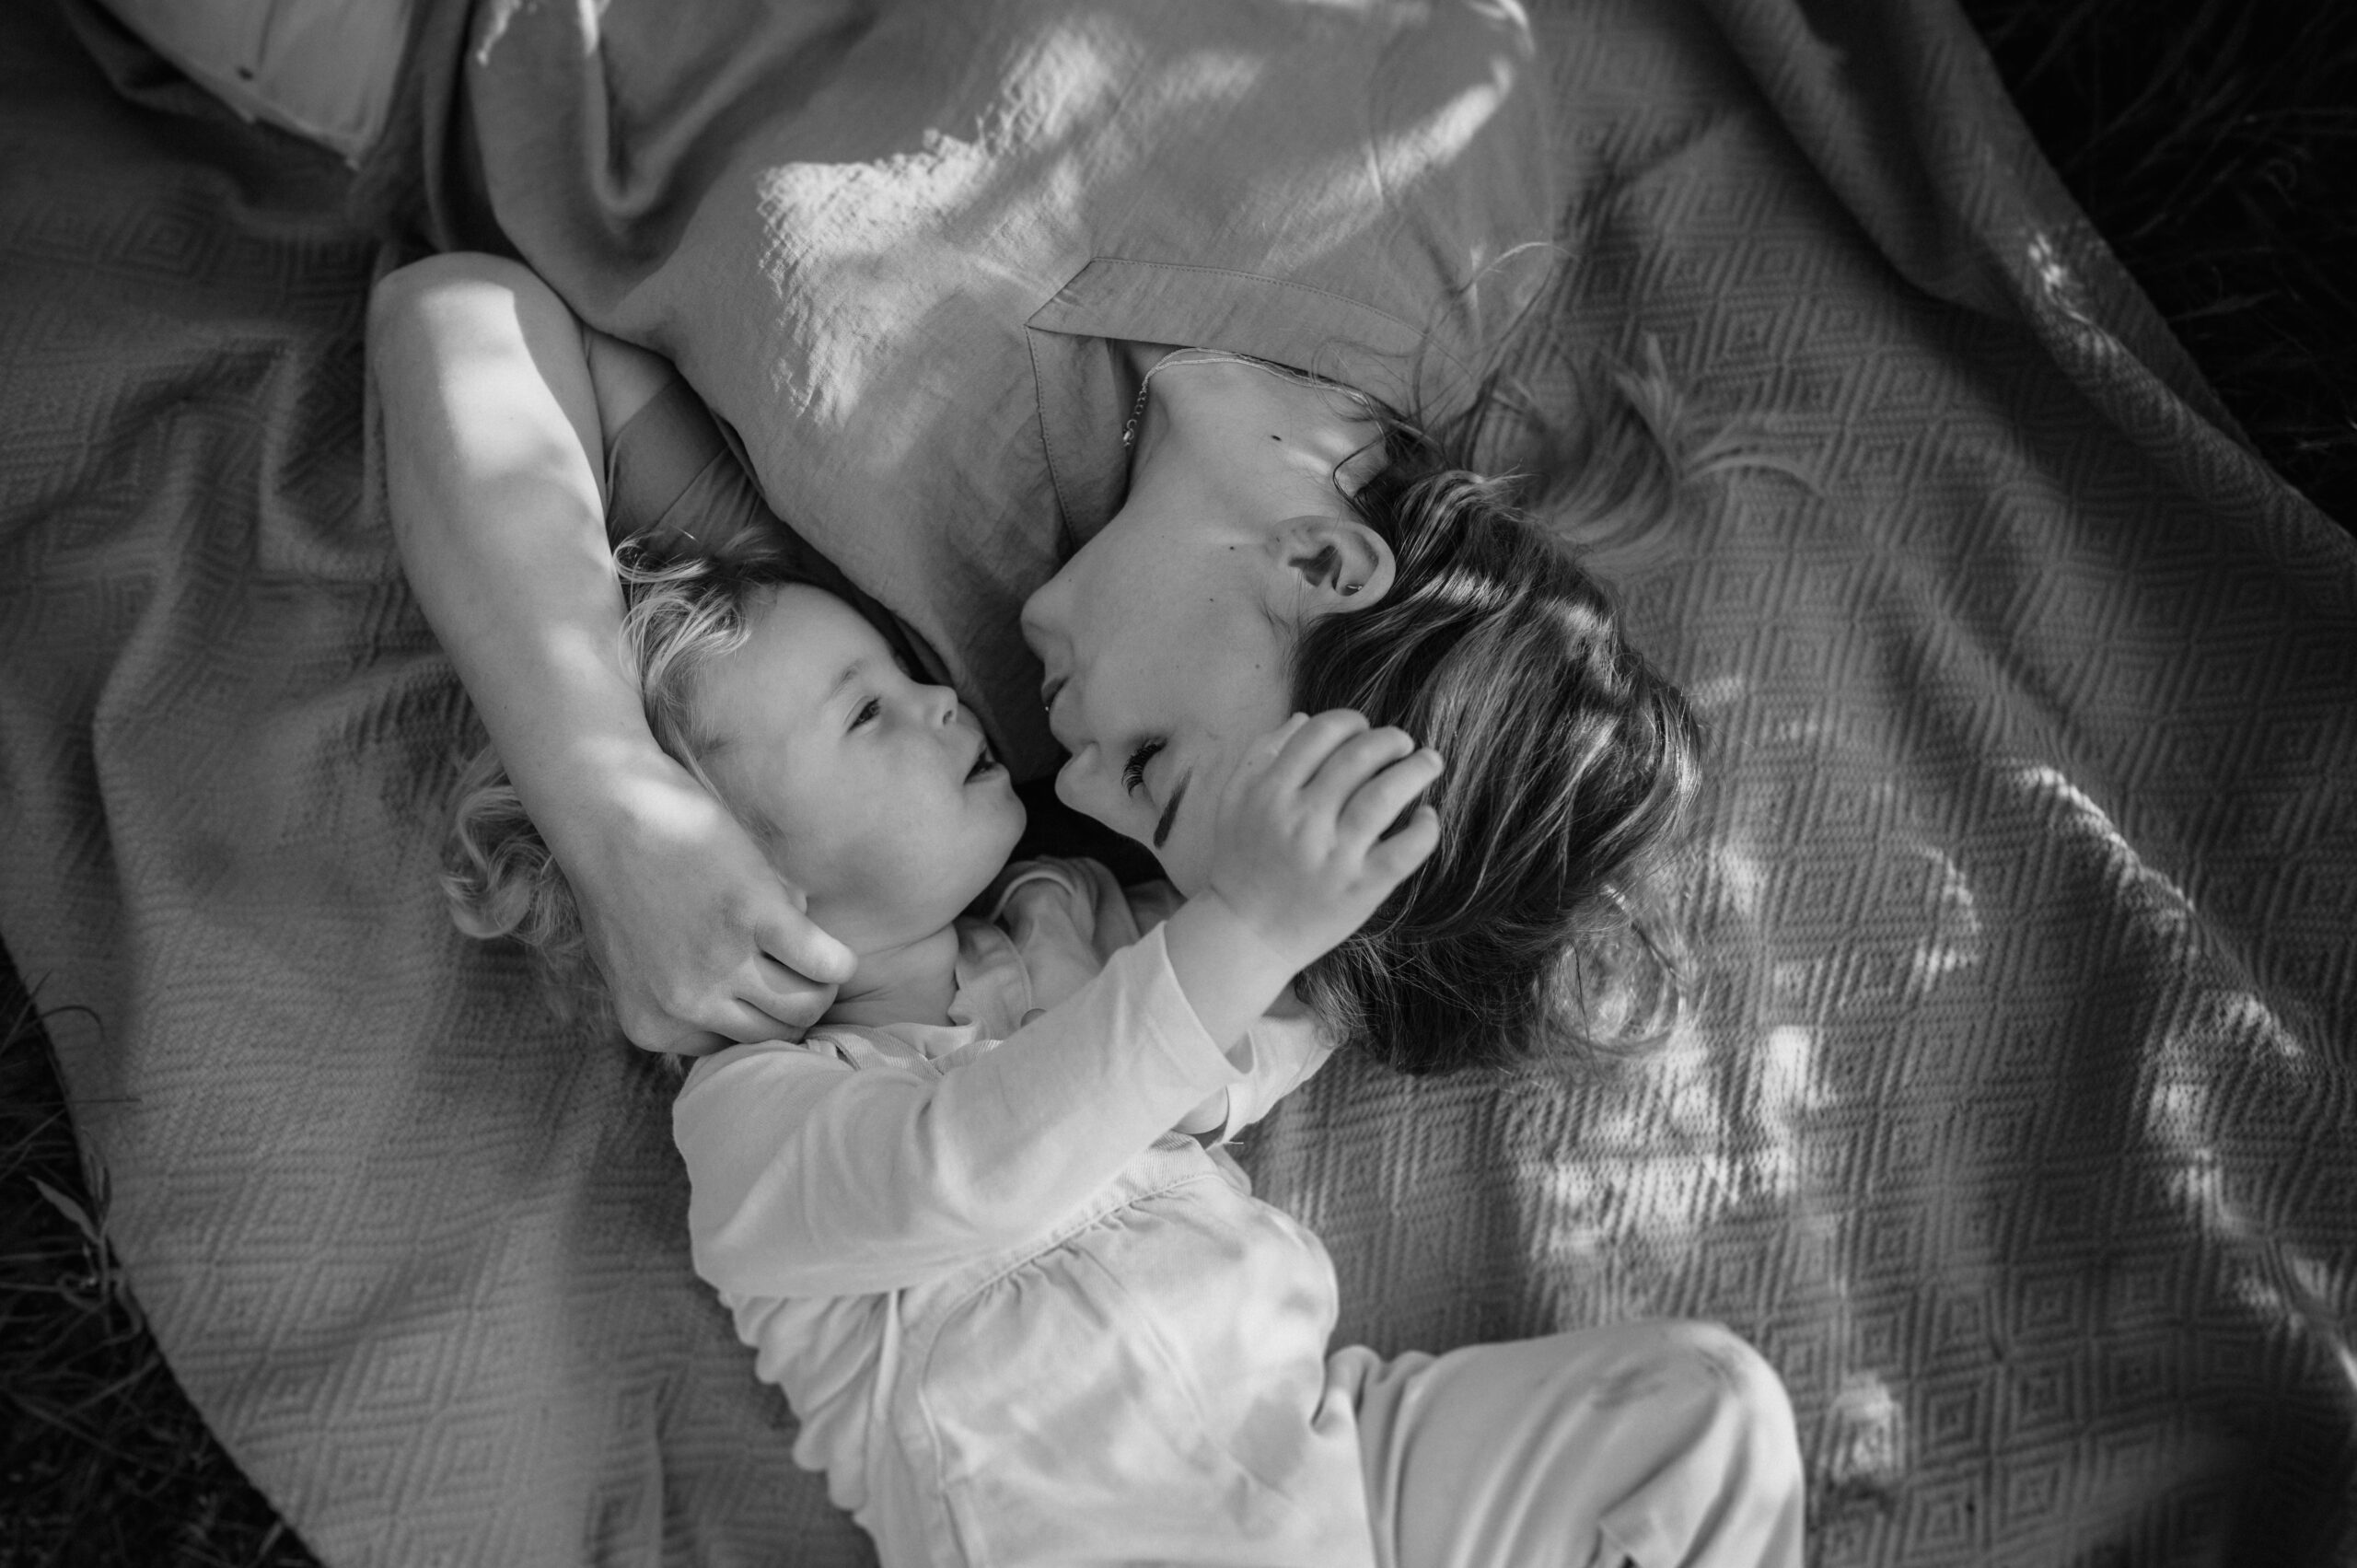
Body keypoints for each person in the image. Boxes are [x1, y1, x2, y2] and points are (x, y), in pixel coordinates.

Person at [370, 0, 1708, 1077]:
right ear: (1322, 566)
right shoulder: (1442, 164)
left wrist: (614, 811)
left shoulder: (911, 654)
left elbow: (461, 325)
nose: (1075, 795)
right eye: (1154, 767)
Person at [439, 516, 1805, 1565]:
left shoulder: (1066, 920)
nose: (940, 701)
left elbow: (1240, 1038)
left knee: (1705, 1411)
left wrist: (1369, 885)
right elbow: (969, 1166)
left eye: (907, 674)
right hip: (1095, 1540)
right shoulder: (754, 1124)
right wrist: (1248, 928)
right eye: (866, 712)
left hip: (1335, 1467)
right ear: (738, 880)